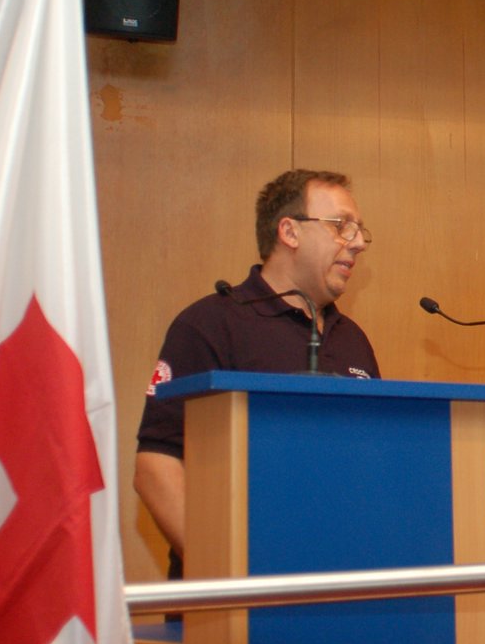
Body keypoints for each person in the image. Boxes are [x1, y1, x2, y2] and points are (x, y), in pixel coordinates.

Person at [133, 169, 379, 576]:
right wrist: (229, 575)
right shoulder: (211, 324)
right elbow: (156, 467)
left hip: (340, 584)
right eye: (341, 226)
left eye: (359, 230)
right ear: (290, 231)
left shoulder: (353, 339)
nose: (357, 242)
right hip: (233, 600)